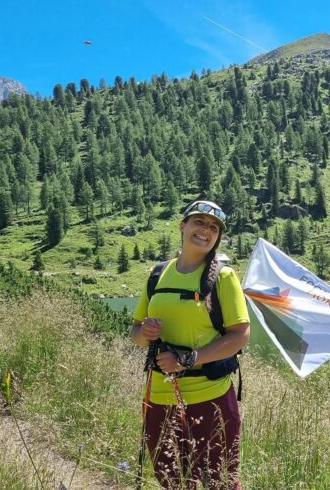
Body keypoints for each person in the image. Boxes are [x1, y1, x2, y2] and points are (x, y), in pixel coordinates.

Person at [130, 200, 250, 489]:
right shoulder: (159, 274)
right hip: (159, 395)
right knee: (170, 480)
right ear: (183, 226)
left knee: (218, 481)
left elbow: (239, 335)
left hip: (210, 396)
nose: (205, 231)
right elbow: (135, 333)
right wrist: (145, 331)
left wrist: (187, 359)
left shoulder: (223, 276)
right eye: (199, 222)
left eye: (213, 228)